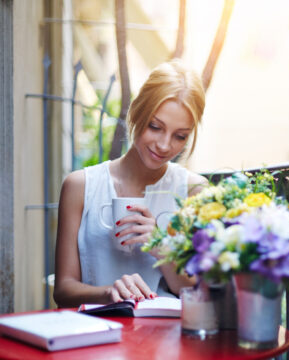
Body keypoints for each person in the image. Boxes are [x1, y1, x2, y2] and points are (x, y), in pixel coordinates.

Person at [54, 60, 208, 308]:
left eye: (180, 136)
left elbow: (197, 290)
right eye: (155, 127)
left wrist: (160, 245)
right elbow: (63, 290)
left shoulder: (193, 191)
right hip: (95, 335)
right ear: (136, 111)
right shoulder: (80, 186)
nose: (165, 145)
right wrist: (109, 293)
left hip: (165, 338)